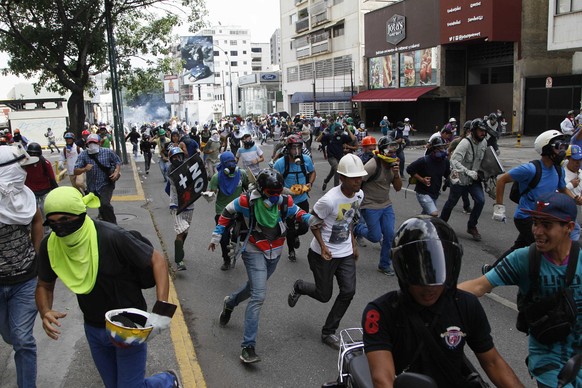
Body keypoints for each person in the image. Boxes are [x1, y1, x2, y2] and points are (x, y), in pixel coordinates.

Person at [35, 187, 181, 388]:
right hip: (94, 327)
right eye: (52, 223)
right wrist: (45, 311)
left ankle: (167, 381)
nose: (59, 228)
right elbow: (44, 284)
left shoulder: (111, 236)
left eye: (65, 220)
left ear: (80, 214)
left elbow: (157, 259)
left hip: (128, 325)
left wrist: (162, 311)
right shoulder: (50, 246)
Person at [363, 216, 524, 388]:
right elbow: (383, 379)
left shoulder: (465, 304)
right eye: (419, 277)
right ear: (403, 269)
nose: (429, 288)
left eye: (436, 277)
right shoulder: (380, 312)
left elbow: (493, 362)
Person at [459, 192, 581, 388]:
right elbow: (478, 286)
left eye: (547, 225)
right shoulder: (524, 258)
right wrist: (434, 295)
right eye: (535, 222)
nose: (537, 231)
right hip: (549, 361)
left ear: (569, 227)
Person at [211, 169, 319, 363]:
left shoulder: (285, 202)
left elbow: (300, 214)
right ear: (261, 190)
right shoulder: (247, 202)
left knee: (253, 288)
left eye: (279, 192)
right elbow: (227, 211)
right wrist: (217, 235)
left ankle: (230, 302)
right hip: (253, 249)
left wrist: (314, 220)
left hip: (275, 251)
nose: (276, 196)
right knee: (259, 295)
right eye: (271, 193)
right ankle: (248, 347)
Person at [287, 154, 365, 350]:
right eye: (354, 177)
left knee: (348, 291)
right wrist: (323, 246)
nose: (359, 181)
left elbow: (350, 221)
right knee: (324, 295)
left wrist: (353, 244)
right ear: (342, 178)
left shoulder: (359, 195)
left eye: (360, 177)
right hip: (323, 254)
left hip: (345, 252)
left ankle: (328, 331)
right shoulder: (328, 200)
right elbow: (313, 223)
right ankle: (299, 286)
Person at [486, 130, 580, 270]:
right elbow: (502, 180)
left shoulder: (557, 170)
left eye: (562, 147)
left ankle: (491, 270)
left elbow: (562, 188)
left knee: (519, 247)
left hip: (542, 218)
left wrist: (575, 198)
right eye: (558, 147)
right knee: (548, 250)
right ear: (546, 148)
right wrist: (499, 207)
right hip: (526, 218)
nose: (561, 151)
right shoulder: (530, 169)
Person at [0, 145, 44, 388]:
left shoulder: (24, 194)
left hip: (26, 280)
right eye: (22, 168)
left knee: (23, 340)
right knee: (9, 335)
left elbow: (37, 220)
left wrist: (38, 256)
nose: (26, 173)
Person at [353, 137, 402, 275]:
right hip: (370, 205)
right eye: (389, 150)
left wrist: (397, 175)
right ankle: (357, 228)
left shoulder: (394, 165)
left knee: (389, 235)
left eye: (394, 151)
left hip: (386, 205)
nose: (392, 153)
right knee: (375, 237)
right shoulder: (372, 165)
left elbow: (398, 188)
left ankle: (384, 264)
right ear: (382, 151)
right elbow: (357, 181)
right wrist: (355, 201)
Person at [440, 118, 488, 241]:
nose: (483, 133)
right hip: (460, 178)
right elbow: (454, 160)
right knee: (451, 202)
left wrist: (489, 174)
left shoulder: (484, 143)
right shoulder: (465, 143)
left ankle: (472, 226)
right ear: (473, 131)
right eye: (480, 131)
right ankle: (440, 225)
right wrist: (468, 172)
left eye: (484, 131)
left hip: (474, 179)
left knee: (480, 201)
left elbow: (485, 161)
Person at [273, 135, 316, 262]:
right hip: (288, 201)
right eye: (293, 148)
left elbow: (312, 172)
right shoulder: (280, 163)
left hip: (302, 199)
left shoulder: (306, 159)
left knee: (304, 227)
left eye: (299, 147)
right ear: (288, 149)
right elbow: (275, 181)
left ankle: (295, 235)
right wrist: (286, 191)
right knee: (290, 227)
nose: (296, 151)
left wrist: (310, 184)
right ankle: (291, 250)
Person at [208, 151, 249, 271]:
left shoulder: (241, 174)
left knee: (245, 233)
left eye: (232, 162)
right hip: (223, 210)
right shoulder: (216, 178)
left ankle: (238, 246)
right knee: (223, 238)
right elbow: (212, 193)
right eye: (227, 163)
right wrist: (209, 194)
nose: (231, 165)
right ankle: (226, 259)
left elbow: (248, 186)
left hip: (238, 209)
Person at [74, 134, 121, 224]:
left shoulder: (107, 152)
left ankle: (113, 225)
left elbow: (117, 161)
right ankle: (104, 221)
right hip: (92, 186)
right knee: (97, 205)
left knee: (105, 204)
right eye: (90, 143)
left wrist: (116, 172)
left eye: (94, 143)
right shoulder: (83, 155)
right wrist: (84, 169)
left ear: (99, 143)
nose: (92, 145)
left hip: (106, 184)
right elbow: (75, 170)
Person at [406, 137, 451, 216]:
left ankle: (417, 224)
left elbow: (447, 175)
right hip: (423, 192)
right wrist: (421, 179)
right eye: (439, 148)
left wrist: (453, 177)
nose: (442, 150)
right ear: (433, 149)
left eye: (443, 147)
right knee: (433, 213)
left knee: (426, 215)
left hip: (435, 193)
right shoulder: (424, 160)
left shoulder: (445, 161)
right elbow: (409, 169)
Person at [167, 147, 194, 272]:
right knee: (180, 231)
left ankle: (180, 249)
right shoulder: (171, 172)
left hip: (189, 205)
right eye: (175, 157)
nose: (178, 159)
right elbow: (172, 185)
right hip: (177, 206)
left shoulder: (188, 169)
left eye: (179, 156)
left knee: (185, 231)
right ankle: (179, 261)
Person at [24, 142, 58, 226]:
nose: (33, 155)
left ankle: (47, 228)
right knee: (33, 212)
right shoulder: (24, 163)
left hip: (44, 189)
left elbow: (51, 177)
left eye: (35, 154)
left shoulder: (44, 162)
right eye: (31, 154)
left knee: (45, 209)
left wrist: (56, 190)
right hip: (31, 191)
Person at [318, 122, 357, 191]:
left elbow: (353, 138)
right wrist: (323, 133)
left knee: (332, 172)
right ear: (334, 131)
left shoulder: (342, 137)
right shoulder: (329, 136)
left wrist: (347, 128)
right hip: (331, 157)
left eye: (340, 132)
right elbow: (318, 140)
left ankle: (326, 181)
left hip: (339, 157)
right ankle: (336, 189)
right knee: (337, 169)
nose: (338, 133)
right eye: (337, 132)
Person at [447, 121, 473, 214]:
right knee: (457, 191)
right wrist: (451, 163)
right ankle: (466, 206)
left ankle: (466, 206)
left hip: (466, 169)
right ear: (466, 131)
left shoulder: (474, 143)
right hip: (456, 169)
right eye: (470, 131)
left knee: (465, 188)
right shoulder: (458, 141)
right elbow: (448, 151)